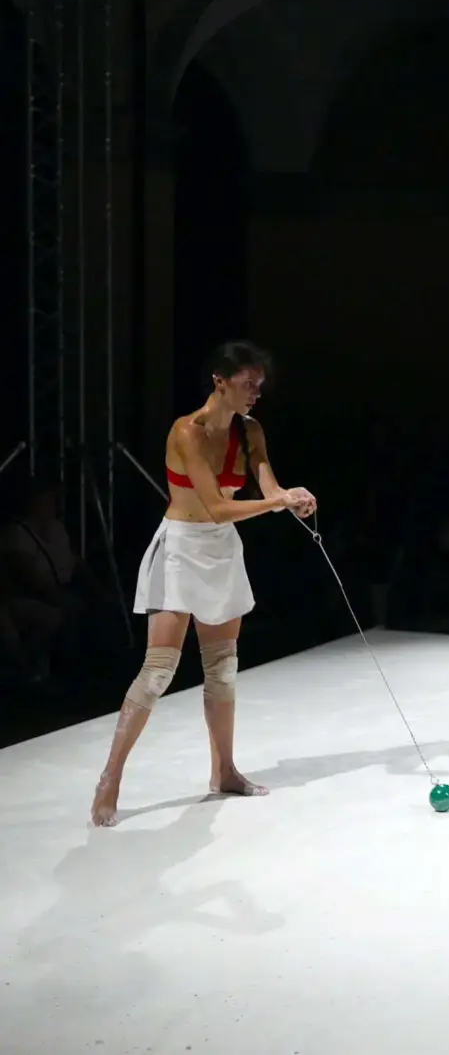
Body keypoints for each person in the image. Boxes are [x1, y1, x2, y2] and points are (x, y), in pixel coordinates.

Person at [90, 341, 316, 827]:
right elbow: (214, 506)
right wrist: (274, 504)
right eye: (248, 383)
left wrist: (291, 498)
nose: (255, 393)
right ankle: (111, 777)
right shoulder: (186, 431)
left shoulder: (250, 431)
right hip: (181, 547)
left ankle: (224, 770)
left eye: (259, 385)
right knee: (158, 671)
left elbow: (269, 488)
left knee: (223, 668)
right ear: (220, 381)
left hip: (221, 550)